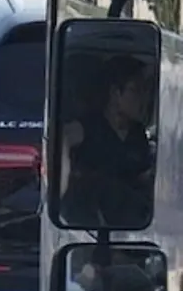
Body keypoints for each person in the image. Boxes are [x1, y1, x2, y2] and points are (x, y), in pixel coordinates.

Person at [60, 54, 155, 230]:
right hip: (93, 225)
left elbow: (139, 174)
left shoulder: (138, 134)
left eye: (146, 90)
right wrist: (62, 183)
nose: (143, 98)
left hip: (134, 223)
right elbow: (62, 138)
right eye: (136, 90)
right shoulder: (89, 127)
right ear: (115, 94)